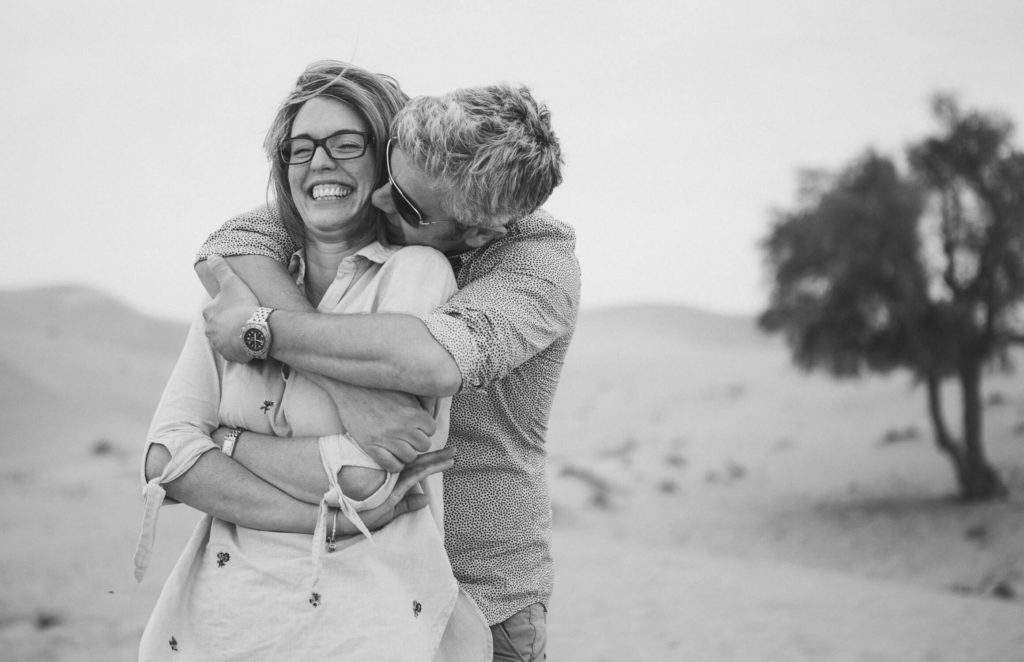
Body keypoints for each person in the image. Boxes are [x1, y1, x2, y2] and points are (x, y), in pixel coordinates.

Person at [197, 71, 578, 661]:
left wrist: (262, 328)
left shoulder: (537, 267)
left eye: (401, 202)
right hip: (365, 593)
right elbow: (233, 242)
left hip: (476, 595)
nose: (377, 199)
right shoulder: (408, 188)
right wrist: (351, 395)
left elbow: (431, 360)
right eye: (387, 174)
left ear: (480, 230)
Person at [134, 61, 491, 660]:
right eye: (301, 149)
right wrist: (328, 522)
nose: (320, 162)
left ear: (386, 163)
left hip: (366, 627)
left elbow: (369, 477)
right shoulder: (236, 287)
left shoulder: (415, 273)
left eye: (347, 144)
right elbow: (164, 455)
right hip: (216, 628)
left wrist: (226, 445)